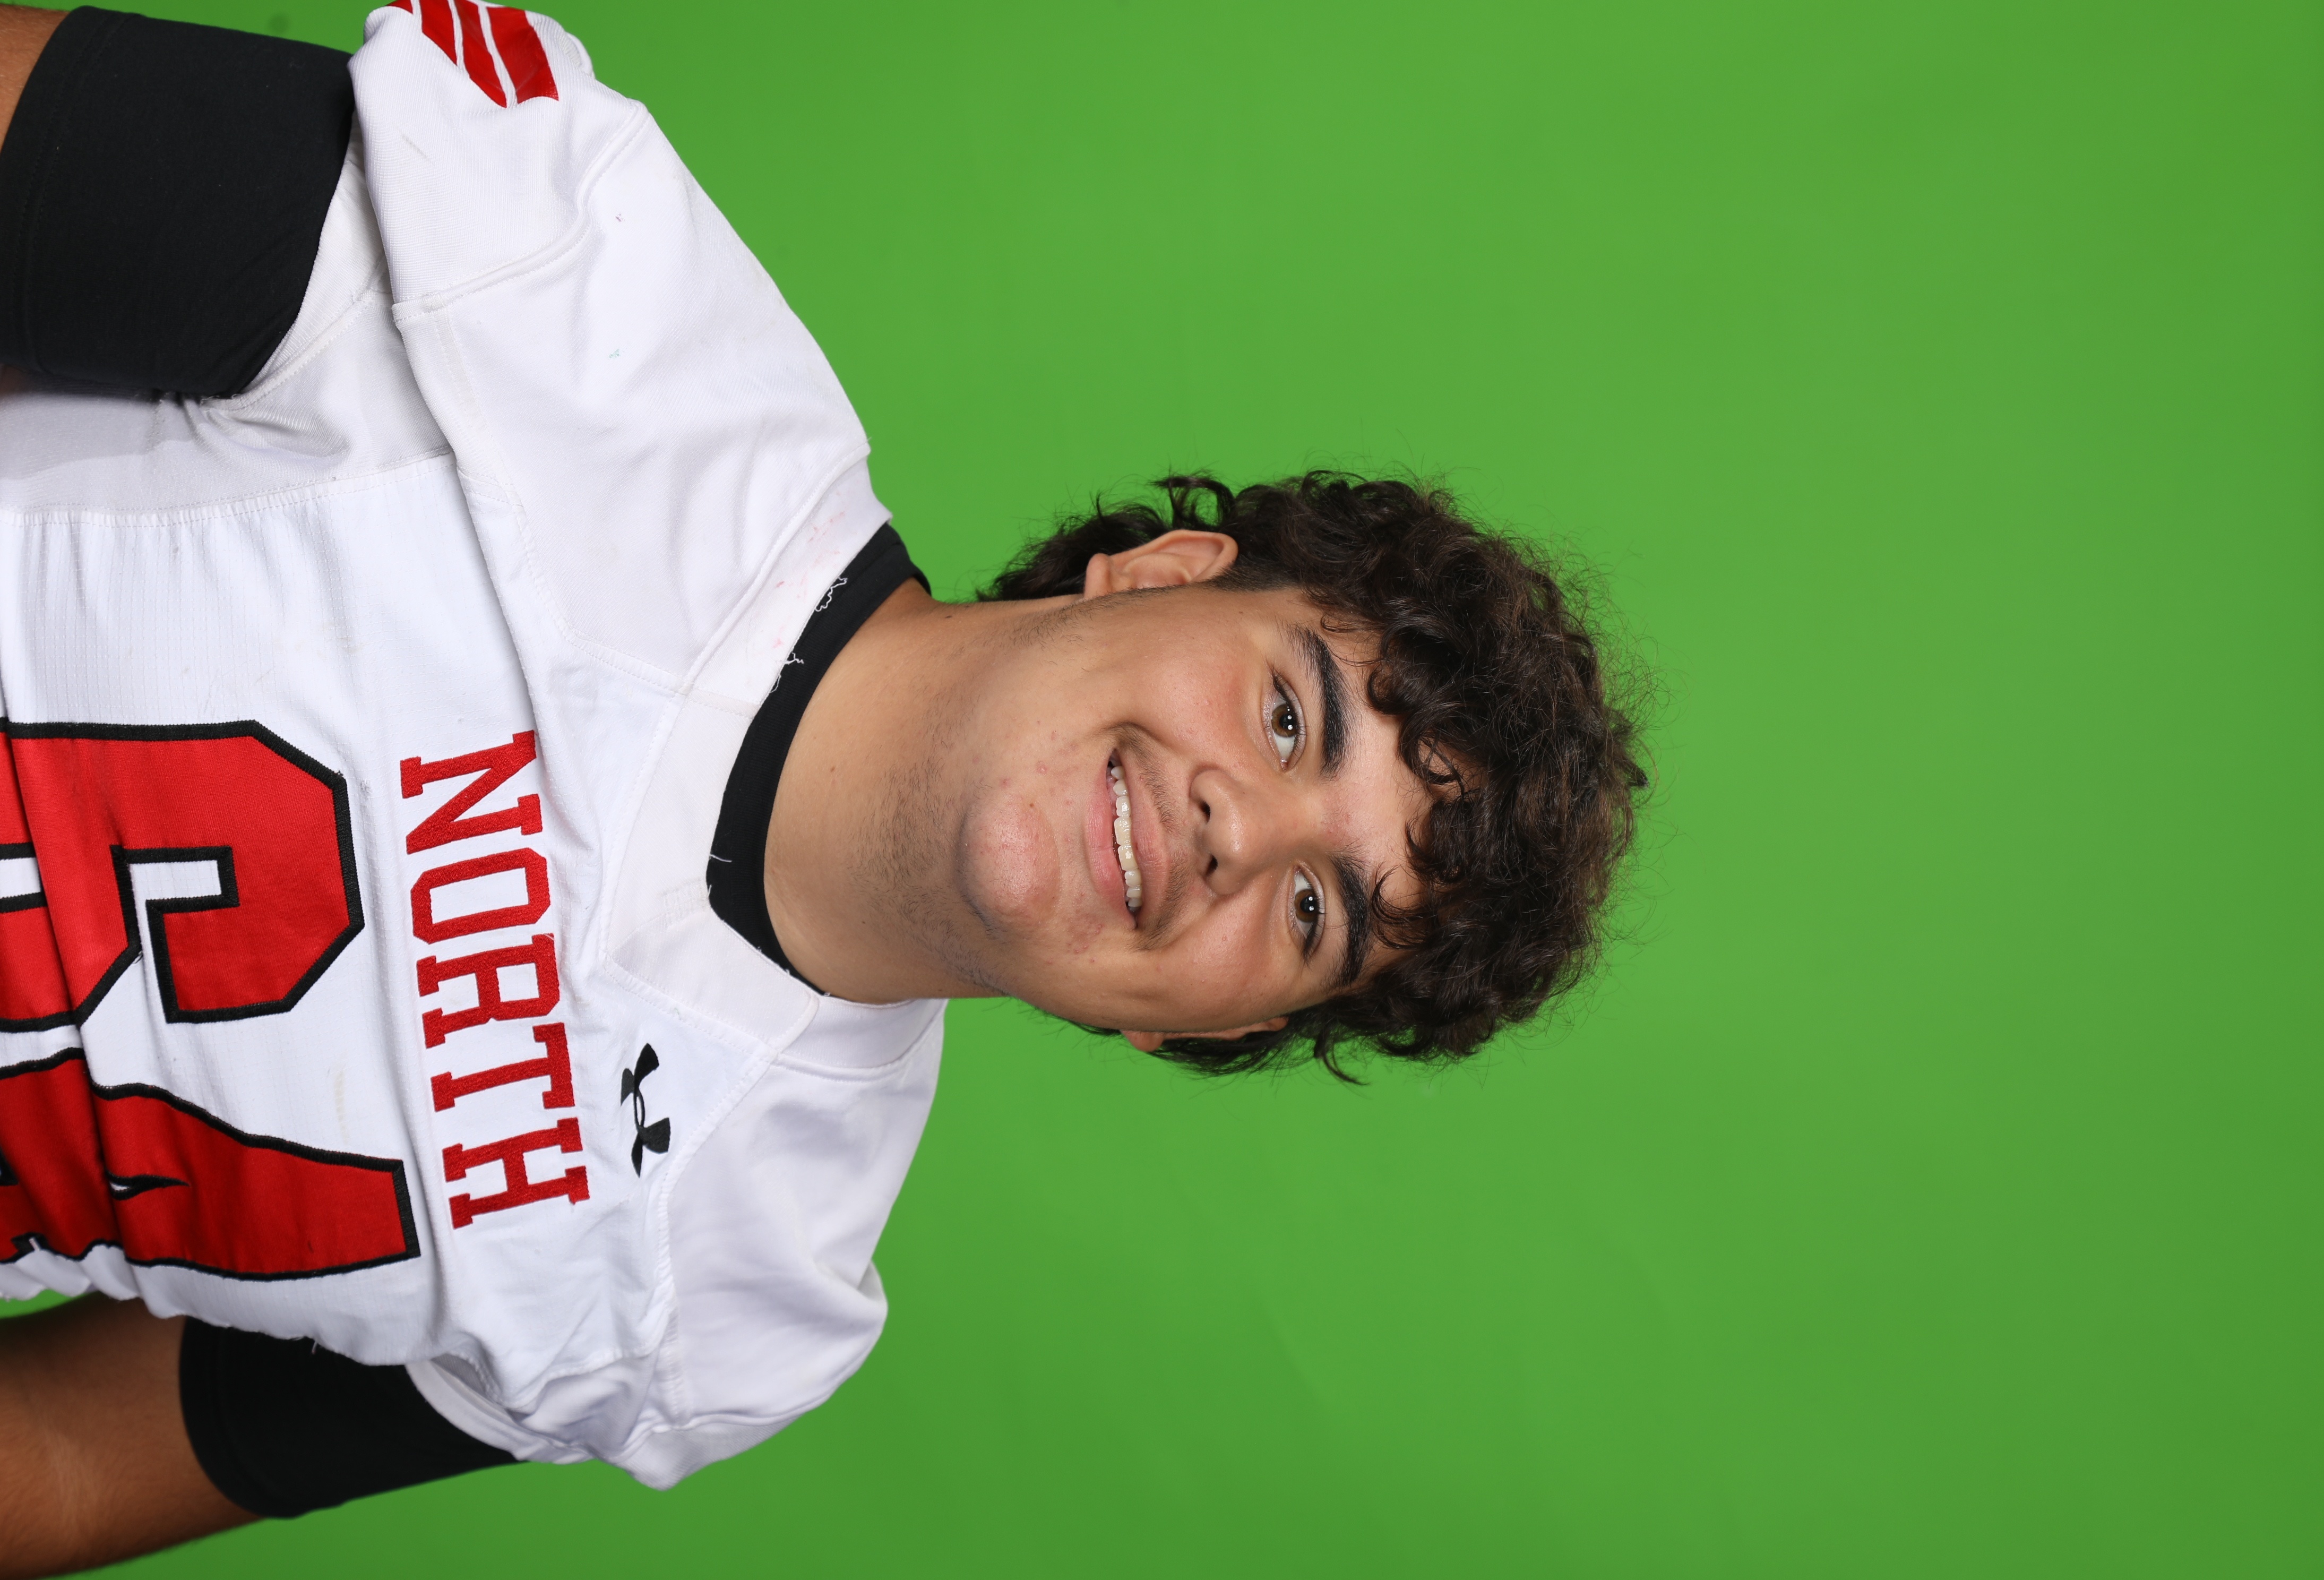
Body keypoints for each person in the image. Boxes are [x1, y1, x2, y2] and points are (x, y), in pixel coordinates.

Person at [0, 2, 1645, 1573]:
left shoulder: (737, 1297)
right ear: (1159, 574)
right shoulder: (582, 289)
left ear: (1198, 1029)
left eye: (1312, 912)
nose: (1241, 830)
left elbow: (63, 1462)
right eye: (1290, 718)